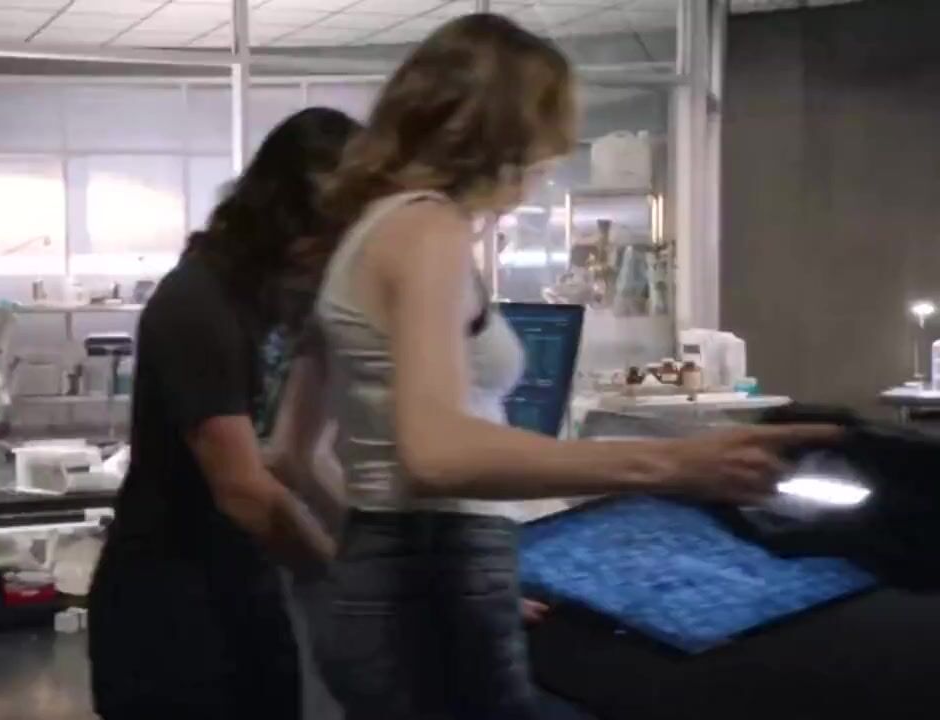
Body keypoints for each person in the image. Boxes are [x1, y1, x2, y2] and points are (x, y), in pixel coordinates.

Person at [293, 14, 838, 720]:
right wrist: (674, 464)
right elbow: (437, 454)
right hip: (427, 581)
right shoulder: (428, 230)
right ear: (507, 135)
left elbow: (299, 450)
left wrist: (413, 565)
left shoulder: (368, 230)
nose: (550, 165)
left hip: (408, 573)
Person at [86, 107, 360, 720]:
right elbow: (244, 491)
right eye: (334, 233)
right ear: (287, 217)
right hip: (169, 617)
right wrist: (355, 582)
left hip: (244, 588)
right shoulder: (197, 302)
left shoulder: (273, 304)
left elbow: (293, 457)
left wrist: (387, 559)